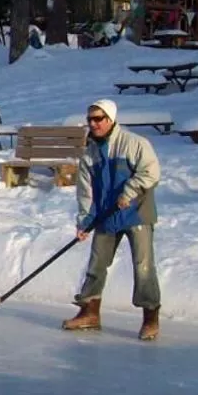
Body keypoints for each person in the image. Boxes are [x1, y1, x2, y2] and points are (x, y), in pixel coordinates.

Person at [64, 98, 163, 340]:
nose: (94, 124)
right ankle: (90, 312)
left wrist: (128, 192)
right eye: (90, 119)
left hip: (136, 213)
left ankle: (150, 317)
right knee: (97, 264)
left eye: (99, 119)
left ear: (111, 119)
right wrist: (85, 222)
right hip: (106, 217)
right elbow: (85, 192)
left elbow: (151, 172)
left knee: (143, 266)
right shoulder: (90, 153)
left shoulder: (134, 143)